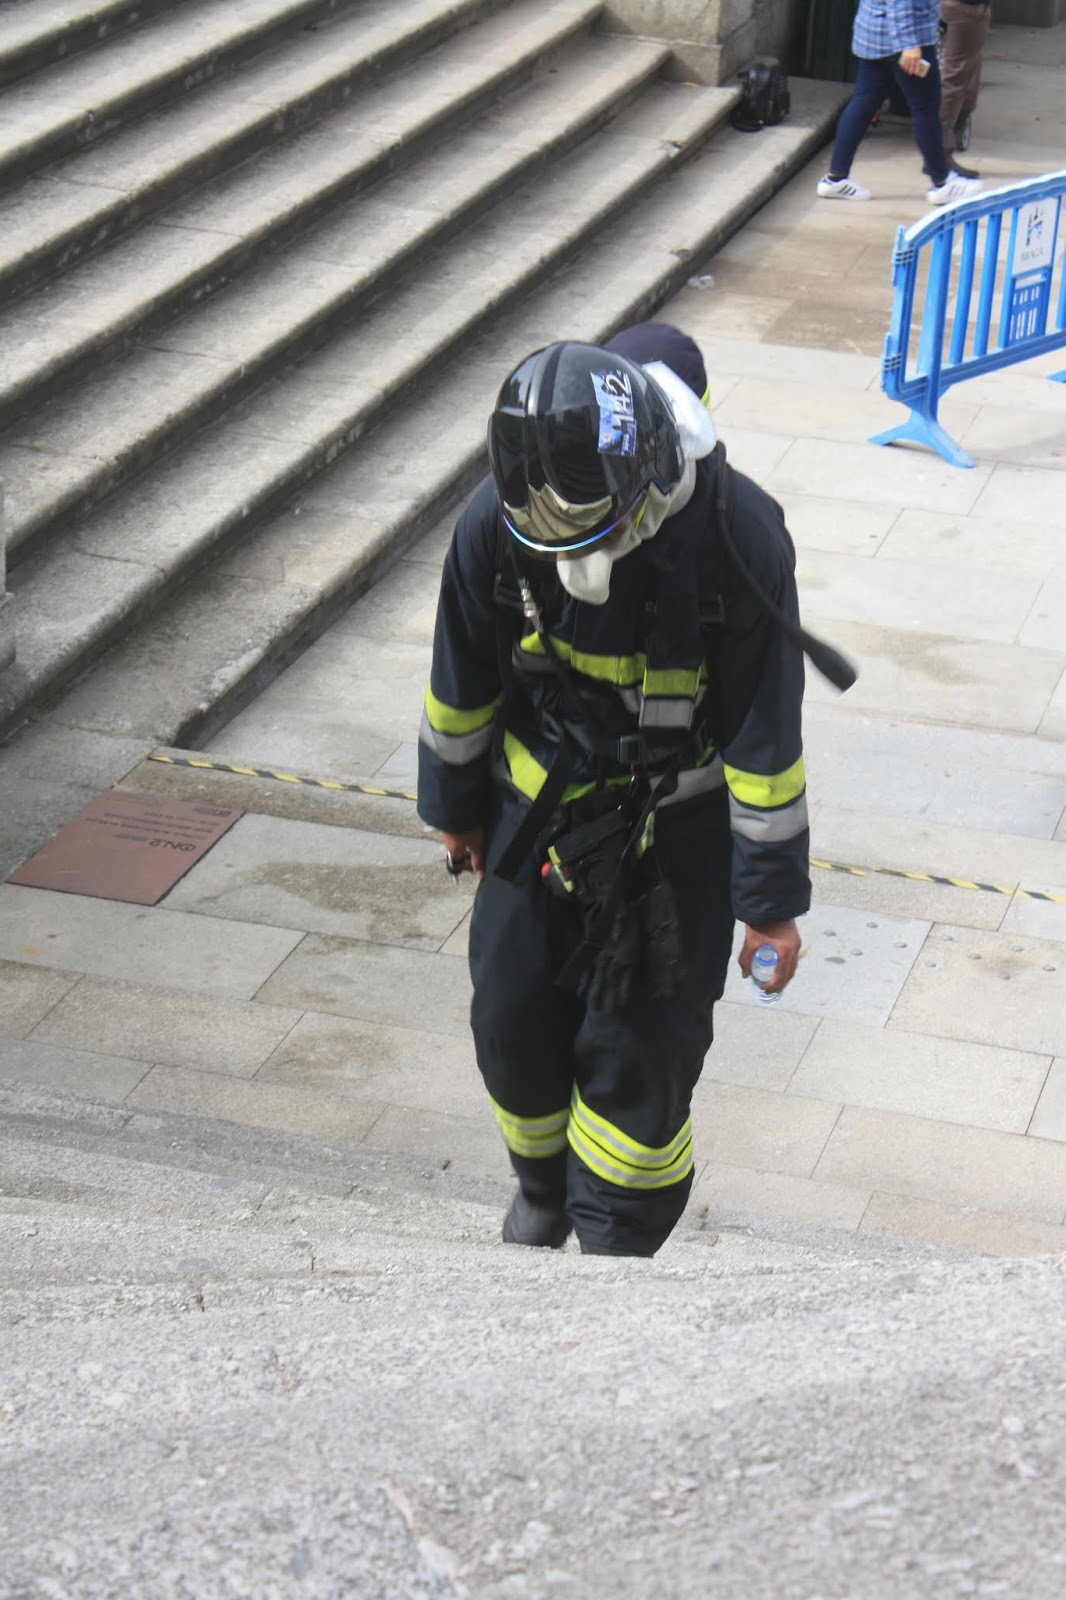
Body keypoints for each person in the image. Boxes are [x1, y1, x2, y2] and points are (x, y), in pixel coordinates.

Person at [417, 322, 844, 1259]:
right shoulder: (500, 521)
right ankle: (542, 1191)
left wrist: (770, 906)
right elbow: (462, 680)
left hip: (673, 848)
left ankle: (617, 1248)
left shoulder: (740, 541)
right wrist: (455, 811)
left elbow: (766, 742)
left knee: (642, 1061)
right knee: (510, 1021)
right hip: (537, 827)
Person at [816, 0, 982, 205]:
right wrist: (909, 45)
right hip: (905, 41)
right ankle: (942, 182)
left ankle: (836, 178)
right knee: (925, 108)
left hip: (875, 33)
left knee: (864, 102)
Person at [938, 0, 990, 178]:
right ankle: (939, 155)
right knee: (954, 79)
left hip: (971, 8)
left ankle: (939, 153)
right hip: (963, 8)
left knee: (962, 77)